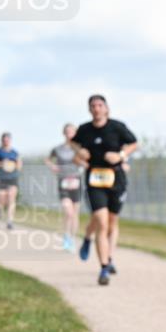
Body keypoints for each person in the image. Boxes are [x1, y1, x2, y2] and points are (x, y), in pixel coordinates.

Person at [72, 94, 138, 285]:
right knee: (101, 221)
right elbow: (73, 144)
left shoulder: (117, 127)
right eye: (93, 105)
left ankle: (108, 256)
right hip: (94, 180)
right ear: (89, 109)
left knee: (111, 222)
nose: (97, 108)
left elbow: (134, 143)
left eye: (100, 105)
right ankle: (103, 268)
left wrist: (121, 155)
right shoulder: (84, 129)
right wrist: (79, 153)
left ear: (106, 108)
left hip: (116, 179)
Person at [47, 123, 84, 251]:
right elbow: (48, 159)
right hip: (63, 182)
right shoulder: (58, 149)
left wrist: (82, 164)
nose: (70, 134)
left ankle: (72, 239)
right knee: (68, 212)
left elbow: (87, 160)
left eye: (72, 132)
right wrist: (53, 166)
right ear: (64, 133)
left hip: (76, 181)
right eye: (67, 132)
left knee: (75, 213)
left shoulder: (80, 148)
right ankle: (66, 236)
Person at [0, 132, 21, 229]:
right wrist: (1, 164)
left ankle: (10, 221)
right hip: (2, 178)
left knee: (11, 198)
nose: (6, 141)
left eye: (7, 139)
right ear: (2, 141)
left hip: (12, 178)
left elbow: (19, 165)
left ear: (10, 140)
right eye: (4, 140)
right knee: (1, 199)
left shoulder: (15, 153)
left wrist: (13, 165)